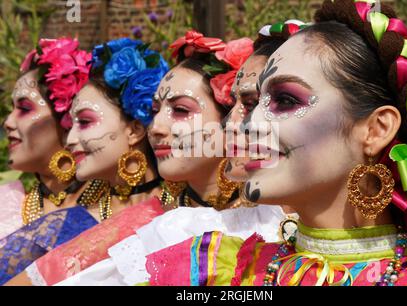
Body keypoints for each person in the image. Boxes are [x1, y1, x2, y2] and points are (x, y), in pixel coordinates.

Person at [144, 0, 407, 286]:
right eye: (257, 102)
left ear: (376, 129)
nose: (249, 124)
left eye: (285, 100)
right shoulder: (216, 270)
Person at [54, 31, 288, 286]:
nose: (155, 127)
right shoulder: (161, 223)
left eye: (180, 110)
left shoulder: (280, 215)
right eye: (155, 111)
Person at [5, 38, 169, 286]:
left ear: (135, 129)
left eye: (84, 122)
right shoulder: (72, 224)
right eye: (71, 125)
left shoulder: (191, 209)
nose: (70, 139)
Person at [0, 37, 104, 285]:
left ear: (69, 117)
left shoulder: (118, 205)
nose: (8, 122)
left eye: (25, 108)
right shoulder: (7, 205)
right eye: (12, 109)